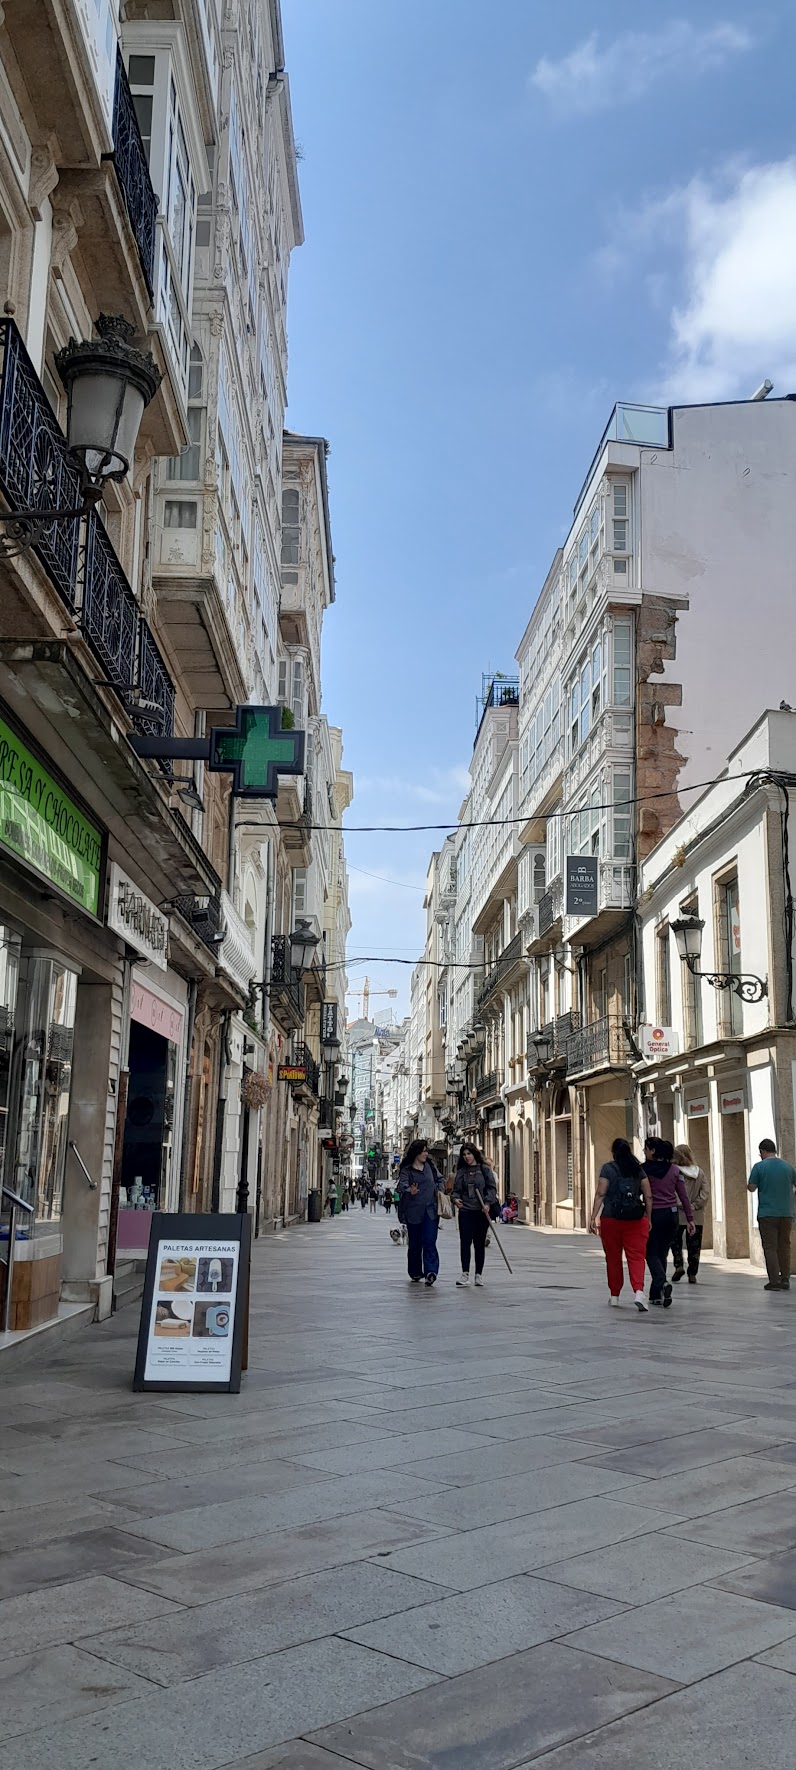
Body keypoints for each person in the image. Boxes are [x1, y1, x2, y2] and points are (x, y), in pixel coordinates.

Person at [590, 1139, 652, 1311]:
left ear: (613, 1151)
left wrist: (593, 1216)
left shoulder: (607, 1169)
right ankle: (639, 1292)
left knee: (613, 1258)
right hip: (636, 1220)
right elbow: (648, 1195)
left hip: (611, 1219)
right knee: (637, 1257)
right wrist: (648, 1216)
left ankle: (614, 1296)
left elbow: (600, 1193)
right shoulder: (638, 1169)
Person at [643, 1136, 696, 1306]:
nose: (644, 1151)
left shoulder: (644, 1170)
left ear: (653, 1151)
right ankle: (656, 1294)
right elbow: (683, 1196)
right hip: (672, 1216)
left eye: (646, 1149)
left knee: (650, 1252)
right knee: (662, 1253)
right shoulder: (674, 1170)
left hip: (653, 1215)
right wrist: (690, 1219)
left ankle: (662, 1283)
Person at [747, 1138, 796, 1291]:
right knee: (785, 1246)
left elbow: (751, 1187)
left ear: (763, 1151)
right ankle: (785, 1279)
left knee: (770, 1247)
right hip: (786, 1212)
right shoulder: (788, 1167)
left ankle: (774, 1281)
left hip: (767, 1213)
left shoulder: (759, 1167)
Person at [451, 1142, 498, 1288]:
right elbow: (455, 1191)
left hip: (481, 1212)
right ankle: (465, 1273)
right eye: (464, 1154)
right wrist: (455, 1199)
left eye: (469, 1154)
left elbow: (492, 1188)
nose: (467, 1157)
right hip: (465, 1211)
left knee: (479, 1243)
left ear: (474, 1154)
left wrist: (488, 1203)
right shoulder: (461, 1171)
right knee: (465, 1242)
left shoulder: (484, 1169)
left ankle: (478, 1274)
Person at [398, 1139, 443, 1285]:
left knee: (430, 1241)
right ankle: (415, 1271)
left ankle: (431, 1271)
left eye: (426, 1151)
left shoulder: (430, 1166)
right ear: (416, 1153)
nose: (426, 1154)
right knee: (415, 1243)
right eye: (424, 1151)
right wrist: (409, 1190)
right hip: (413, 1212)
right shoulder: (407, 1170)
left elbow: (440, 1179)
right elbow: (402, 1185)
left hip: (430, 1211)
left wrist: (439, 1191)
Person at [671, 1144, 709, 1283]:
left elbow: (672, 1191)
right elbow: (705, 1192)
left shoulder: (674, 1171)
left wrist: (682, 1204)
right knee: (694, 1245)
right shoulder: (699, 1172)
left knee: (675, 1241)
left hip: (678, 1213)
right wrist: (695, 1205)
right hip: (696, 1215)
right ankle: (692, 1273)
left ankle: (678, 1264)